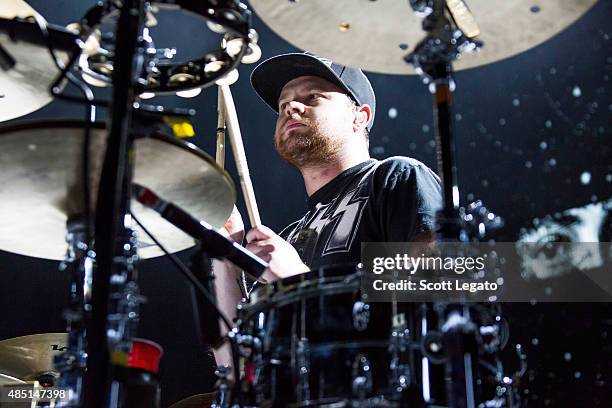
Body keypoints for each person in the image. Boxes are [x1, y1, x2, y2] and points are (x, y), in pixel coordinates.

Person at [212, 52, 442, 366]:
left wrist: (299, 282)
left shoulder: (395, 179)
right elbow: (236, 367)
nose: (291, 107)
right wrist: (226, 261)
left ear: (359, 117)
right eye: (284, 105)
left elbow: (433, 304)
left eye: (313, 96)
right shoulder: (292, 237)